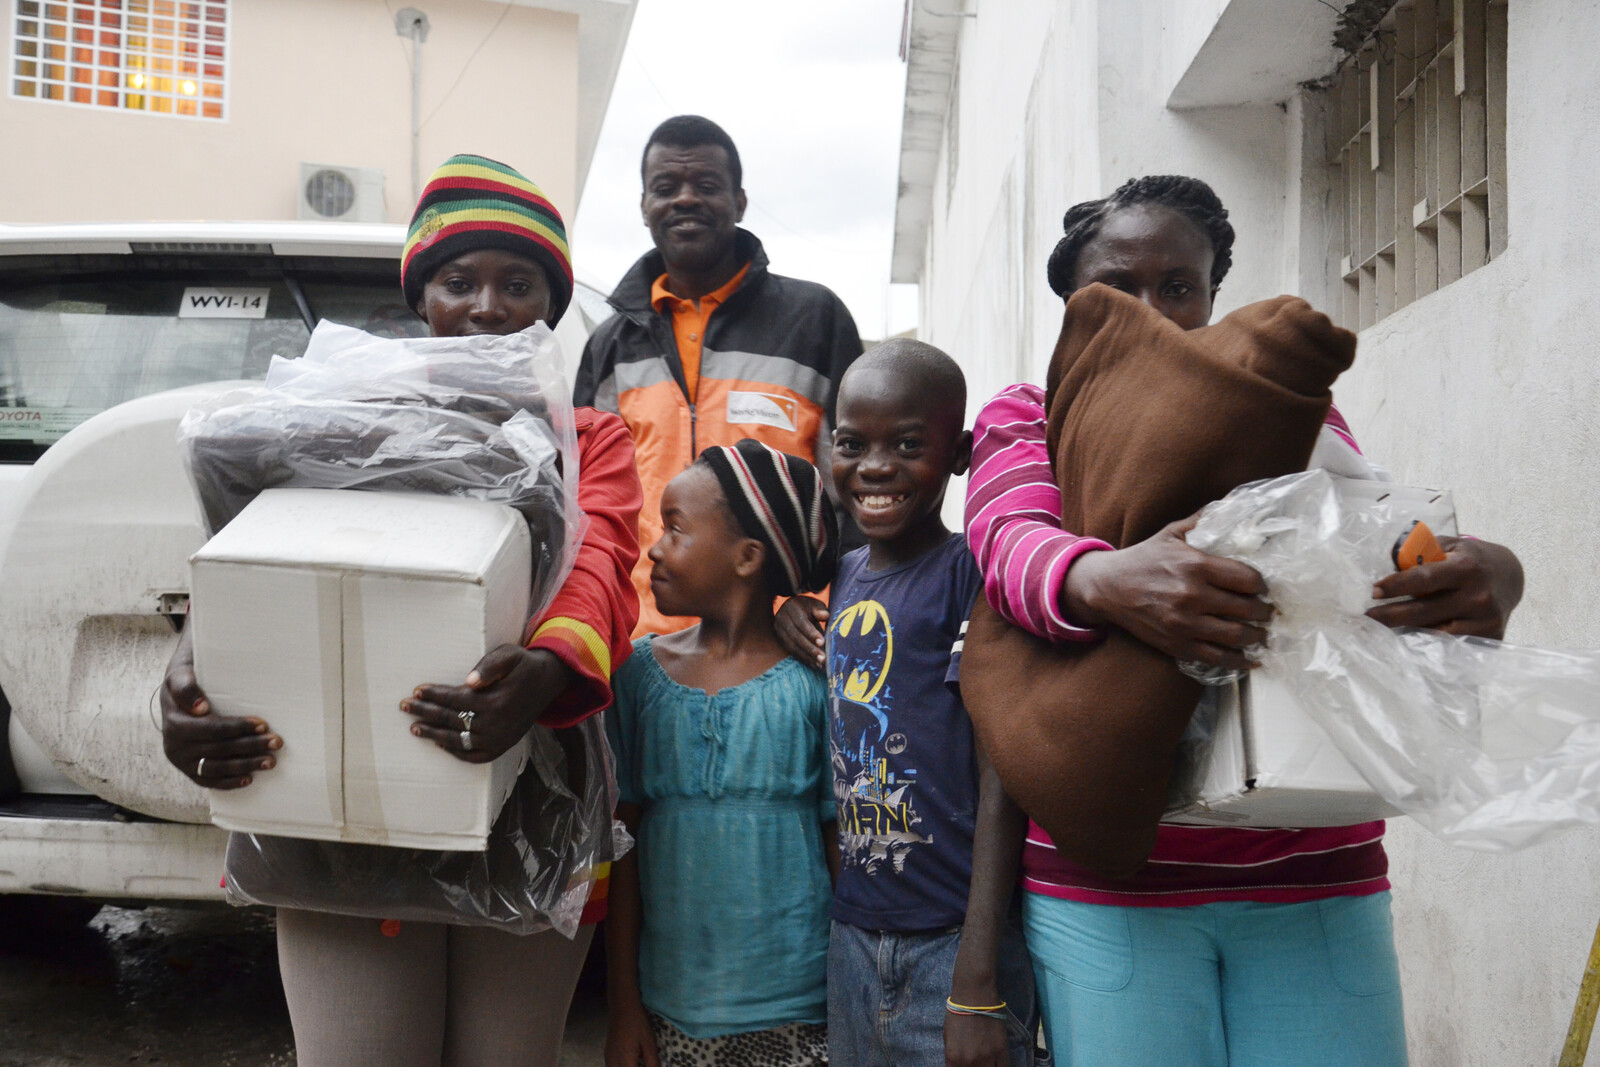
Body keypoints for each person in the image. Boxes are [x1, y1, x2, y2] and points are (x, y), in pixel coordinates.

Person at [963, 175, 1525, 1067]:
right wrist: (1107, 578)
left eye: (1179, 286)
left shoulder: (1285, 407)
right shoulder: (1030, 418)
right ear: (1073, 304)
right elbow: (1007, 546)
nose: (1152, 309)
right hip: (1112, 887)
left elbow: (1368, 542)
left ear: (1214, 293)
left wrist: (1486, 569)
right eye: (1116, 287)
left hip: (1314, 870)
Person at [160, 154, 643, 1067]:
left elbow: (604, 564)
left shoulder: (591, 439)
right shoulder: (337, 422)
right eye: (459, 282)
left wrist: (542, 672)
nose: (489, 307)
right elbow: (260, 564)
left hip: (533, 795)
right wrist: (193, 672)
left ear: (553, 302)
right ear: (422, 299)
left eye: (519, 282)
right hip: (351, 814)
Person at [774, 341, 1040, 1067]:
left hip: (955, 944)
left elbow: (1000, 779)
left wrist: (978, 979)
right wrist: (784, 612)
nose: (877, 466)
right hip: (854, 938)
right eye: (853, 444)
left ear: (958, 454)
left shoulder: (972, 574)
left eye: (908, 445)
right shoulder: (844, 573)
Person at [574, 114, 865, 637]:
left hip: (780, 647)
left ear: (740, 202)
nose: (685, 199)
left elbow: (858, 489)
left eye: (706, 185)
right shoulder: (610, 346)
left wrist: (820, 603)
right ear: (644, 207)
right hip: (638, 645)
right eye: (666, 188)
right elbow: (587, 506)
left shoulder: (814, 320)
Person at [603, 439, 838, 1067]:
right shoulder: (638, 677)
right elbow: (621, 852)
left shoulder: (814, 684)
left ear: (747, 557)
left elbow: (840, 850)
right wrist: (623, 1004)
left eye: (675, 529)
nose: (653, 547)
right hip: (670, 1012)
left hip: (803, 1012)